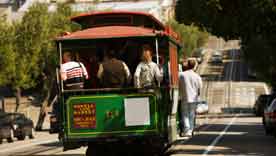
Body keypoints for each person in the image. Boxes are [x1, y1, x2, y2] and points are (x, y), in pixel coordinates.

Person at [179, 58, 202, 137]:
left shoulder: (182, 75)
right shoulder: (197, 76)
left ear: (188, 65)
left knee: (185, 114)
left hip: (184, 97)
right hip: (194, 98)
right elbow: (200, 88)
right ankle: (191, 130)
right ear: (194, 66)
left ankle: (186, 130)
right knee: (192, 115)